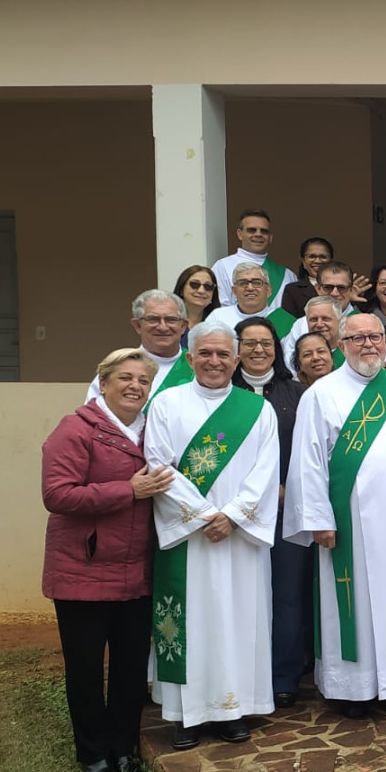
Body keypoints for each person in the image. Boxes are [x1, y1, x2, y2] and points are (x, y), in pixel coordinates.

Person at [284, 312, 386, 717]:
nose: (368, 344)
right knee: (354, 602)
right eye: (357, 338)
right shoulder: (322, 393)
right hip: (351, 521)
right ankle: (353, 688)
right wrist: (319, 518)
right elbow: (308, 461)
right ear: (341, 345)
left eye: (375, 337)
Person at [146, 320, 281, 749]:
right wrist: (205, 514)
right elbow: (158, 466)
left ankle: (233, 709)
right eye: (205, 353)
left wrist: (235, 516)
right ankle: (186, 714)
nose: (214, 361)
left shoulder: (257, 409)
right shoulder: (166, 404)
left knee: (240, 620)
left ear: (237, 360)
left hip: (239, 539)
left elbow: (266, 471)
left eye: (224, 354)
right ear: (190, 358)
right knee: (191, 622)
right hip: (188, 538)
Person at [43, 348, 171, 772]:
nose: (135, 386)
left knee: (130, 669)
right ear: (103, 383)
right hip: (84, 570)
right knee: (84, 669)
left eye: (144, 381)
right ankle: (92, 751)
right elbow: (57, 495)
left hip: (136, 571)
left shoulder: (151, 431)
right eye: (126, 378)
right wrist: (126, 490)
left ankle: (123, 746)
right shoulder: (76, 429)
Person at [231, 316, 309, 710]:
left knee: (288, 593)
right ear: (237, 347)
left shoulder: (296, 393)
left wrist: (288, 489)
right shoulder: (222, 392)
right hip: (236, 512)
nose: (258, 350)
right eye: (249, 342)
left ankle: (283, 675)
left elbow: (310, 452)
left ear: (277, 350)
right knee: (241, 592)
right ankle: (243, 672)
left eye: (266, 343)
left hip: (284, 509)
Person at [86, 290, 193, 406]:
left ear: (183, 326)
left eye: (171, 320)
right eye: (153, 319)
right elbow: (91, 417)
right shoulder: (117, 366)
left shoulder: (198, 366)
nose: (163, 327)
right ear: (137, 325)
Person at [280, 261, 366, 357]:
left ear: (350, 289)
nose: (335, 293)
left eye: (341, 288)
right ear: (317, 288)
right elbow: (289, 359)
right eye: (328, 287)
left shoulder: (365, 323)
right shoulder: (301, 325)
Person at [214, 208, 294, 309]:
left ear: (270, 237)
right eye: (252, 230)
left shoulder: (287, 275)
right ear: (240, 234)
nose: (258, 234)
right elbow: (221, 308)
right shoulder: (222, 266)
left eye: (264, 231)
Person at [278, 237, 336, 319]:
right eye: (312, 256)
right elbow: (289, 322)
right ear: (303, 260)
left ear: (331, 260)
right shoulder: (292, 290)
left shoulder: (344, 287)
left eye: (323, 257)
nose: (317, 261)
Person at [210, 260, 278, 329]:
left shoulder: (283, 319)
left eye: (257, 283)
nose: (250, 288)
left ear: (268, 290)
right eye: (243, 283)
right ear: (234, 291)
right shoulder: (218, 317)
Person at [283, 296, 343, 372]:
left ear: (339, 321)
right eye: (313, 319)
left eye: (326, 319)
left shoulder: (350, 353)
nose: (319, 324)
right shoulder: (298, 358)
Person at [173, 266, 217, 334]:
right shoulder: (168, 320)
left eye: (208, 286)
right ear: (181, 290)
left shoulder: (217, 322)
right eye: (195, 284)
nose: (201, 291)